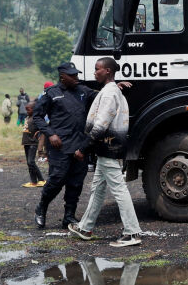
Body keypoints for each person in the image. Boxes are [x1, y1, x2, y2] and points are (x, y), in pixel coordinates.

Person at [69, 58, 143, 248]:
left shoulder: (110, 93)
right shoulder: (111, 90)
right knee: (98, 188)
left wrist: (83, 148)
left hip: (109, 146)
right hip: (106, 147)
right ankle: (85, 228)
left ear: (108, 71)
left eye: (97, 69)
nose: (94, 72)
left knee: (119, 189)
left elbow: (101, 124)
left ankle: (132, 232)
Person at [32, 62, 97, 229]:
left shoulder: (83, 91)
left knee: (76, 182)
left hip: (79, 144)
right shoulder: (51, 93)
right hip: (59, 145)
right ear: (63, 77)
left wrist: (114, 86)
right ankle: (42, 208)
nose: (76, 78)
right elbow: (37, 116)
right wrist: (50, 133)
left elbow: (101, 96)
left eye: (76, 74)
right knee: (57, 179)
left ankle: (69, 216)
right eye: (72, 75)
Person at [21, 101, 44, 188]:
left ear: (34, 110)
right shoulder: (28, 117)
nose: (27, 111)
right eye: (26, 110)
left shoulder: (36, 118)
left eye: (28, 109)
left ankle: (41, 179)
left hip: (32, 143)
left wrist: (39, 132)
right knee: (28, 163)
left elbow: (43, 127)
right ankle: (33, 181)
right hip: (26, 142)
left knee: (31, 162)